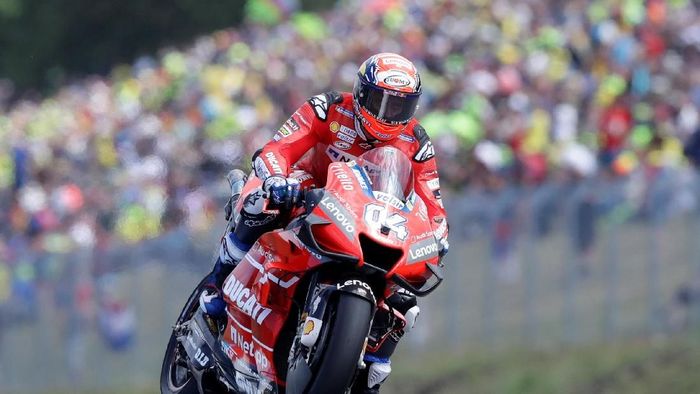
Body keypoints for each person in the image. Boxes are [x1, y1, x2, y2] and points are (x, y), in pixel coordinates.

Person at [199, 53, 450, 393]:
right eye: (381, 101)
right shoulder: (328, 108)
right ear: (361, 94)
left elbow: (432, 203)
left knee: (407, 290)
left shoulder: (417, 142)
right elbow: (278, 148)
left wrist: (437, 236)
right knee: (258, 204)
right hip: (308, 190)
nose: (388, 115)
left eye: (399, 107)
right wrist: (275, 178)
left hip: (371, 218)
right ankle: (218, 283)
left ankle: (375, 362)